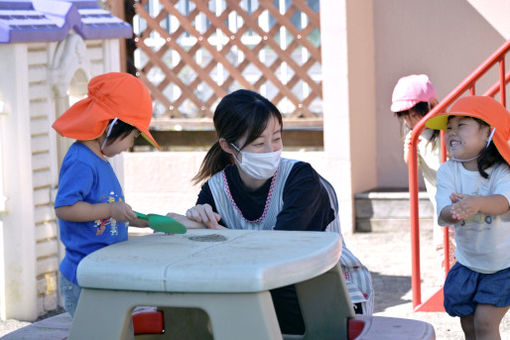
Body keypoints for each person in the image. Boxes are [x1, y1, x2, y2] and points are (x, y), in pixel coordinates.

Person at [175, 89, 373, 335]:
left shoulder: (301, 180)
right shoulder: (215, 188)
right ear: (227, 146)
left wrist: (219, 234)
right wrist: (197, 218)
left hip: (325, 293)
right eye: (258, 143)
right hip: (260, 294)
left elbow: (280, 251)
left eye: (277, 138)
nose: (271, 150)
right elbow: (195, 244)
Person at [52, 72, 160, 317]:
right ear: (112, 126)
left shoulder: (99, 159)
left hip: (102, 271)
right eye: (132, 136)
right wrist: (110, 211)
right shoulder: (82, 161)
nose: (130, 145)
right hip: (84, 276)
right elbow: (65, 208)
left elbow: (105, 205)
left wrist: (136, 218)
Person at [426, 95, 510, 339]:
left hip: (503, 266)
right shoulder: (447, 171)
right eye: (449, 127)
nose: (452, 132)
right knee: (470, 325)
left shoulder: (501, 171)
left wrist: (476, 204)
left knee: (485, 323)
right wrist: (453, 212)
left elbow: (504, 202)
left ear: (488, 133)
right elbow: (442, 211)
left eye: (461, 125)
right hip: (468, 264)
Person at [391, 74, 455, 268]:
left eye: (416, 114)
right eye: (406, 116)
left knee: (463, 245)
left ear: (431, 107)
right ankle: (451, 286)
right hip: (441, 202)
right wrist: (410, 146)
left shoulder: (447, 129)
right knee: (443, 248)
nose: (411, 120)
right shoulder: (414, 136)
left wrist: (440, 112)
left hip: (460, 197)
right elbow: (410, 165)